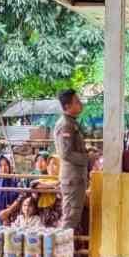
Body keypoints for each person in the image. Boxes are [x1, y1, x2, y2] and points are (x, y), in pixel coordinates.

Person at [53, 89, 91, 241]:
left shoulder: (71, 123)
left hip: (77, 179)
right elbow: (66, 153)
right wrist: (87, 158)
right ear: (67, 106)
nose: (80, 104)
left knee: (73, 219)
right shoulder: (66, 125)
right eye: (77, 101)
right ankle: (58, 256)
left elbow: (74, 149)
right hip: (72, 179)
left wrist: (87, 151)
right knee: (69, 219)